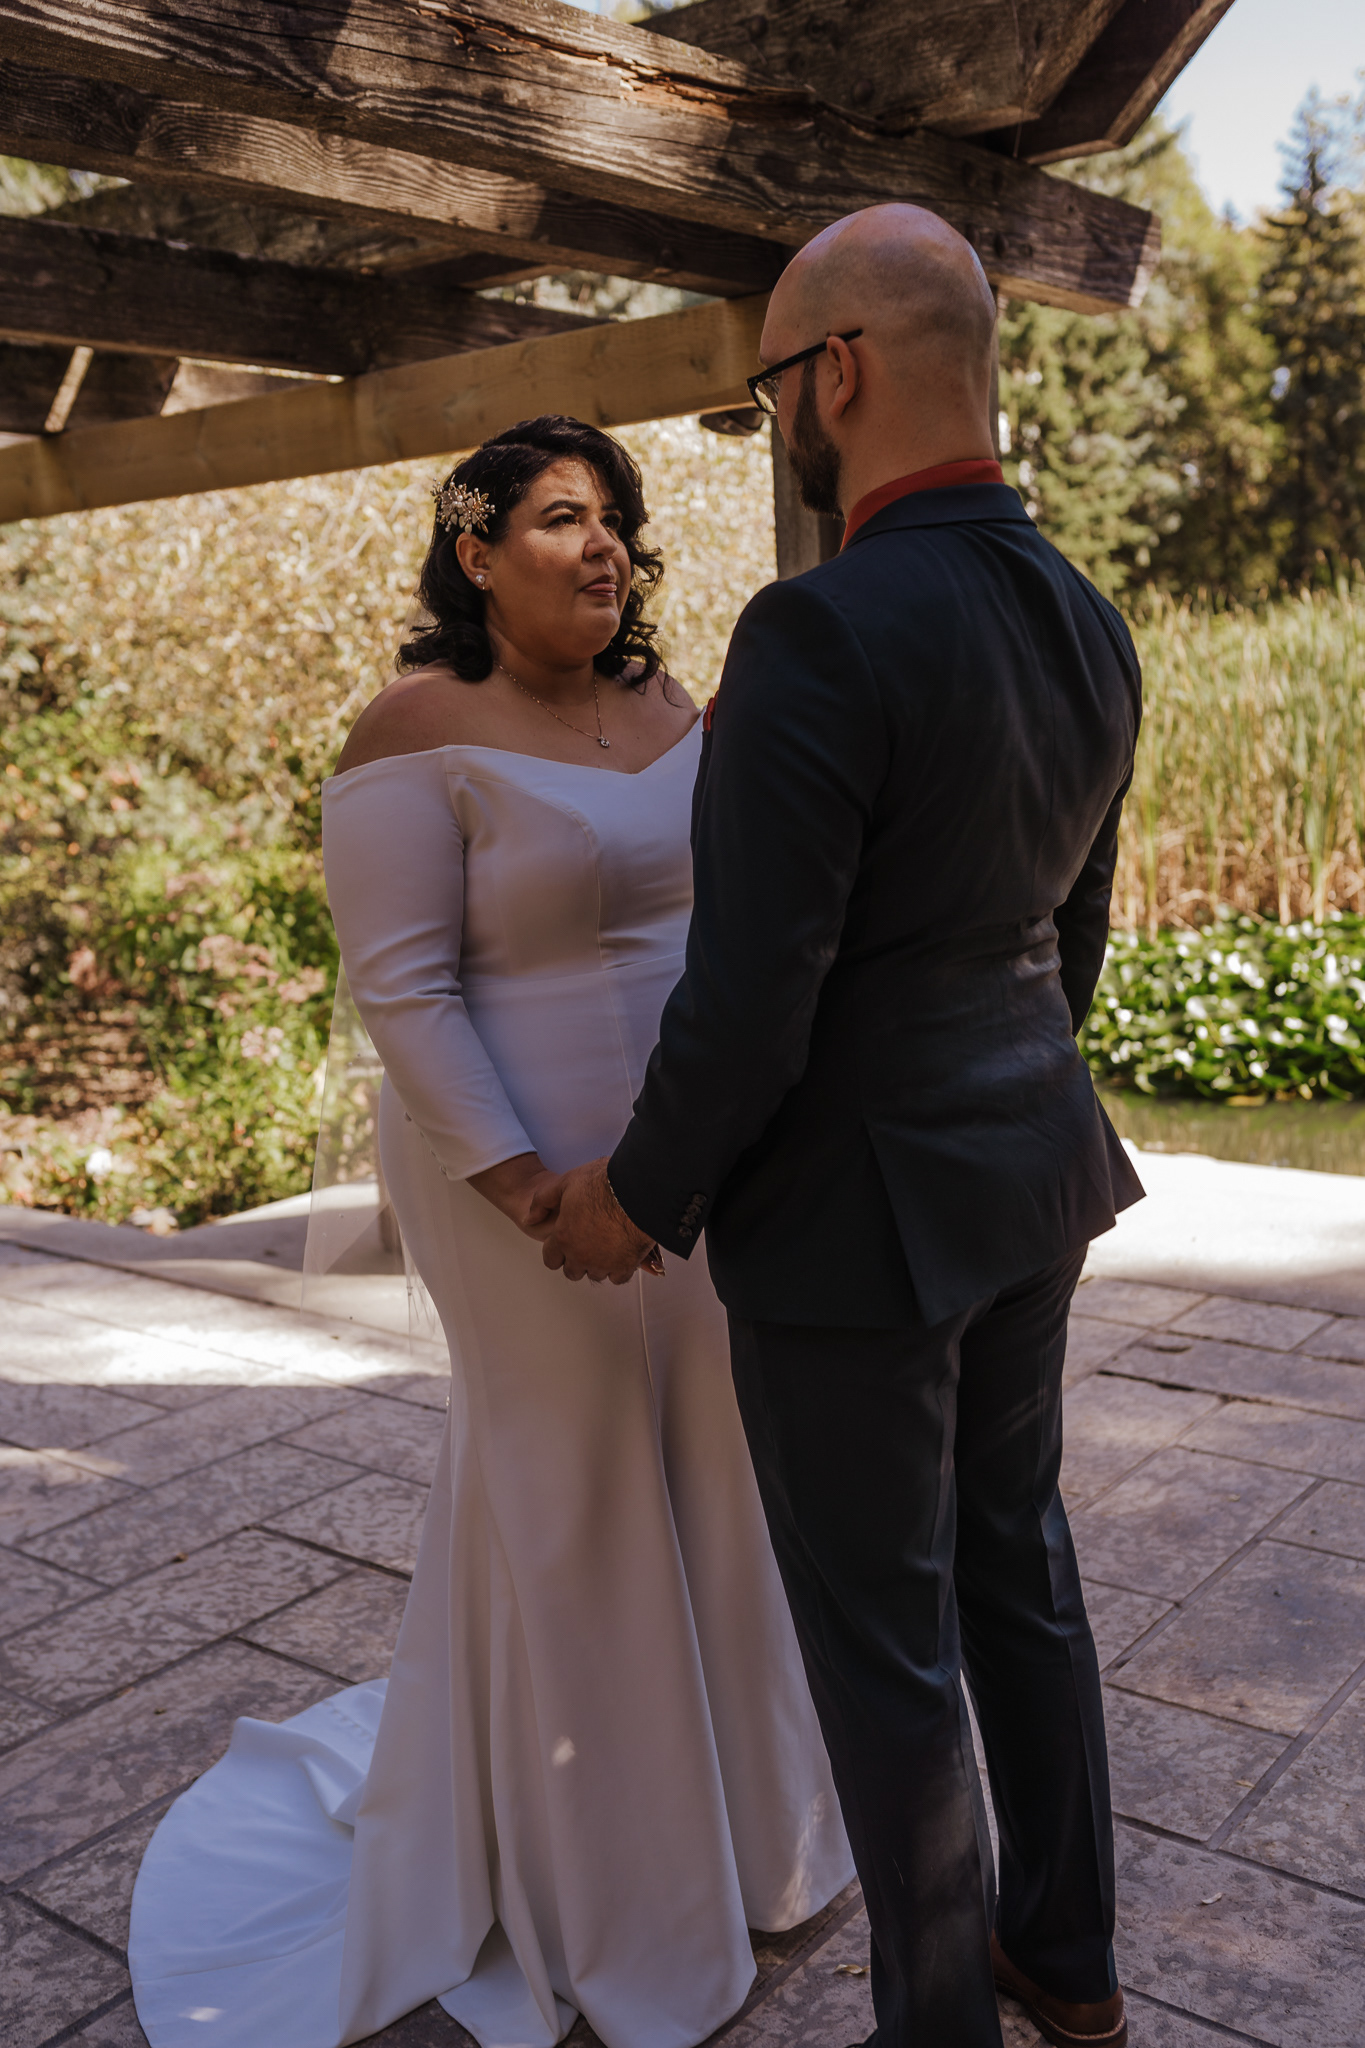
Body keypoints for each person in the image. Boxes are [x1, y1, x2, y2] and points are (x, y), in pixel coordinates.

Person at [127, 415, 853, 2048]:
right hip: (512, 1178)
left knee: (717, 1468)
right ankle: (609, 1896)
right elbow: (404, 991)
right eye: (560, 517)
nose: (604, 546)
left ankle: (756, 1839)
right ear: (475, 552)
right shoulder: (412, 729)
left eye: (616, 519)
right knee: (575, 1487)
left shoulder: (671, 708)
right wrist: (533, 1187)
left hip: (691, 1161)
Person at [543, 210, 1145, 2048]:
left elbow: (755, 993)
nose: (774, 423)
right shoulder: (1087, 618)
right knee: (1019, 1567)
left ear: (842, 371)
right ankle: (1068, 1962)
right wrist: (999, 1099)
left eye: (768, 389)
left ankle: (937, 2024)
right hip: (1030, 1171)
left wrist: (637, 1196)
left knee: (886, 1645)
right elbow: (1071, 935)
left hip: (851, 1226)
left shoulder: (813, 627)